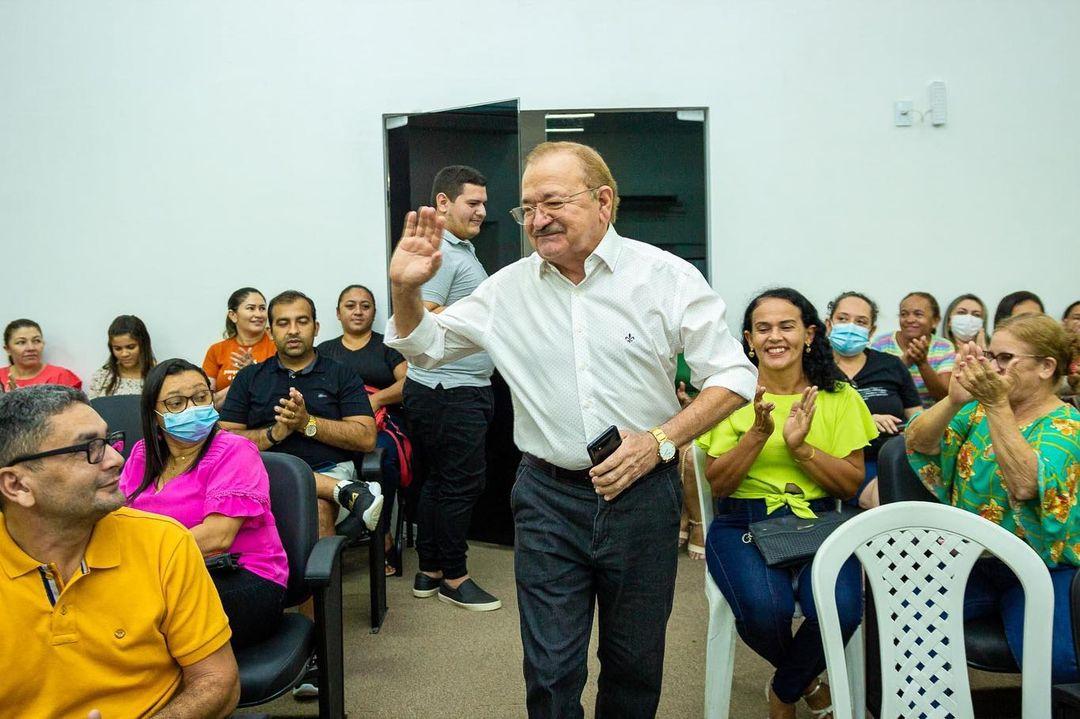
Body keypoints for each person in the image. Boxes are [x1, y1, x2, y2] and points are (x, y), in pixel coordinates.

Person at [386, 141, 756, 718]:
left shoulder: (664, 277)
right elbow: (425, 348)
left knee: (634, 663)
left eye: (553, 201)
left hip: (641, 496)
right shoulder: (506, 290)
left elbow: (734, 375)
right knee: (551, 669)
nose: (538, 219)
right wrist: (406, 291)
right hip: (547, 498)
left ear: (604, 201)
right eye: (527, 208)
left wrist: (660, 441)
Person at [0, 385, 239, 717]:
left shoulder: (161, 543)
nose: (116, 459)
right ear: (17, 485)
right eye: (89, 449)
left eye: (108, 441)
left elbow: (218, 683)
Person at [697, 288, 876, 719]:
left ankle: (783, 690)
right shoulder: (730, 397)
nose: (775, 337)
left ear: (809, 334)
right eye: (763, 328)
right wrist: (758, 436)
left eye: (787, 326)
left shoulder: (839, 397)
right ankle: (808, 683)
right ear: (749, 340)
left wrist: (802, 450)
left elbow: (851, 483)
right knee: (764, 611)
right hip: (743, 519)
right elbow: (718, 483)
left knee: (842, 608)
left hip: (819, 521)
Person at [219, 289, 382, 699]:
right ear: (271, 330)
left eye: (302, 321)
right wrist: (275, 433)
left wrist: (309, 423)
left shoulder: (339, 373)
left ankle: (315, 647)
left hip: (327, 469)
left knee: (315, 510)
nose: (293, 331)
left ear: (316, 326)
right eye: (284, 323)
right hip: (261, 476)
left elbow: (365, 437)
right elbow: (225, 442)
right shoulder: (251, 378)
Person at [905, 312, 1080, 684]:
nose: (993, 368)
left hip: (1043, 568)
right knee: (908, 630)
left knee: (1057, 665)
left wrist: (998, 406)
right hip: (971, 563)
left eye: (1005, 358)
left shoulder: (1067, 426)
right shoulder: (977, 410)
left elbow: (1025, 485)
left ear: (1047, 367)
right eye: (990, 356)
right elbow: (918, 442)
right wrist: (953, 400)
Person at [120, 358, 289, 648]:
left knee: (139, 618)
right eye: (176, 403)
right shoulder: (142, 454)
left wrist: (143, 558)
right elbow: (120, 520)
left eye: (201, 397)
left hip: (241, 576)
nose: (193, 409)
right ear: (154, 413)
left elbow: (217, 537)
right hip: (166, 575)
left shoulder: (235, 451)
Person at [400, 165, 499, 610]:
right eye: (472, 203)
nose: (482, 211)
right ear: (443, 203)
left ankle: (430, 569)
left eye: (483, 202)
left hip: (445, 389)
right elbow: (421, 322)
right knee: (459, 484)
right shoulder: (442, 254)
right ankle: (455, 579)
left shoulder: (461, 251)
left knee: (439, 483)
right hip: (450, 391)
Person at [318, 283, 410, 576]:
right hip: (335, 423)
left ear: (373, 312)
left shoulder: (388, 346)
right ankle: (326, 541)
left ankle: (382, 534)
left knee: (382, 461)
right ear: (338, 313)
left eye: (365, 306)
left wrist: (374, 400)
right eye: (350, 305)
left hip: (380, 422)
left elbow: (408, 383)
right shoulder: (324, 351)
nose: (358, 311)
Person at [826, 291, 921, 508]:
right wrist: (865, 422)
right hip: (843, 461)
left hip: (894, 456)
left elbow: (917, 417)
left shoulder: (891, 365)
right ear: (829, 324)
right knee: (888, 500)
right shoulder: (814, 368)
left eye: (861, 322)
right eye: (843, 318)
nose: (851, 326)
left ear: (872, 330)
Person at [870, 292, 955, 407]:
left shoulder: (944, 347)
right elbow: (873, 389)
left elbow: (944, 397)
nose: (909, 320)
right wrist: (900, 365)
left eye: (918, 314)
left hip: (931, 417)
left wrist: (923, 364)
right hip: (890, 414)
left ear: (935, 321)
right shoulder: (881, 344)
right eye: (904, 314)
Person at [203, 287, 276, 407]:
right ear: (233, 315)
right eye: (251, 308)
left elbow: (280, 391)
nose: (259, 314)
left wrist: (254, 374)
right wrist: (246, 378)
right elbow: (207, 402)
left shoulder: (277, 347)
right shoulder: (216, 350)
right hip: (225, 420)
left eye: (262, 308)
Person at [87, 314, 157, 399]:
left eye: (131, 347)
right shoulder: (102, 377)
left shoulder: (158, 375)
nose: (124, 354)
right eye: (118, 348)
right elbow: (91, 408)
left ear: (143, 344)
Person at [1, 319, 81, 392]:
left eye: (36, 341)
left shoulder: (61, 377)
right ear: (7, 349)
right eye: (21, 342)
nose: (31, 348)